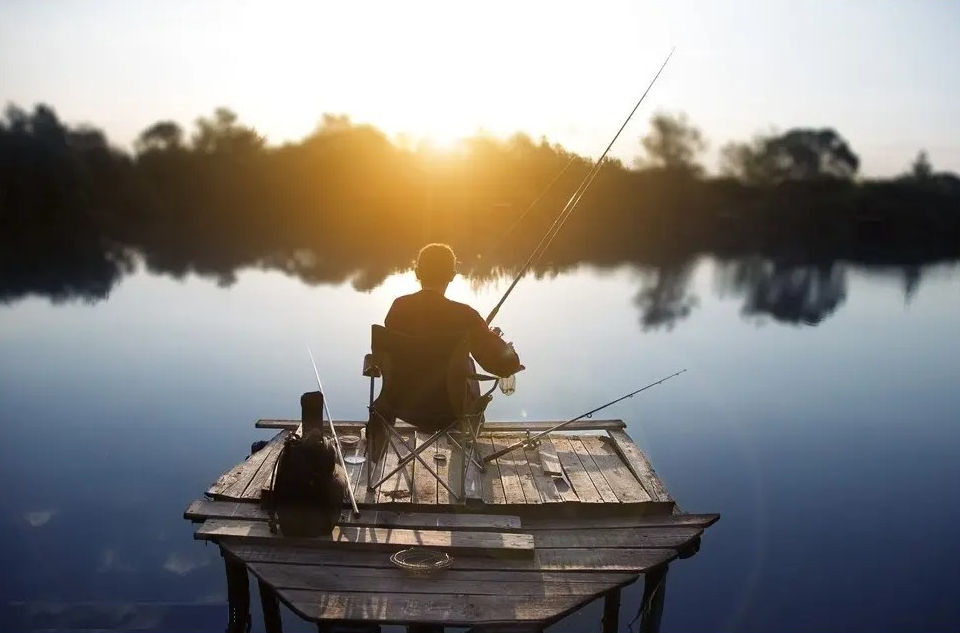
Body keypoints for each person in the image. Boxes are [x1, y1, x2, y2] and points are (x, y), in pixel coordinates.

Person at [385, 243, 523, 379]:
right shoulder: (466, 315)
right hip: (447, 400)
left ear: (417, 273)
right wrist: (502, 346)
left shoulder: (399, 307)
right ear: (452, 275)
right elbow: (505, 366)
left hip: (397, 398)